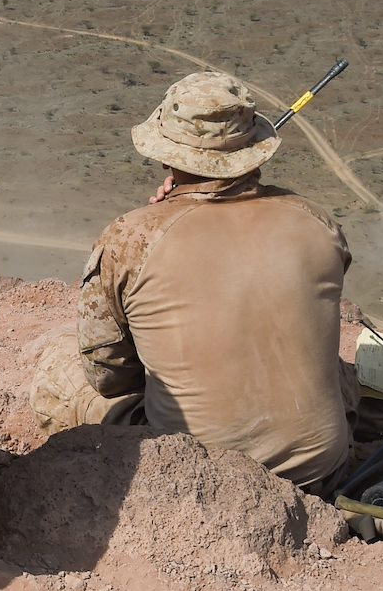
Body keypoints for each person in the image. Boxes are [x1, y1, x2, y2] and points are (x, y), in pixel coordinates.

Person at [31, 72, 355, 490]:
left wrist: (163, 218)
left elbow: (110, 379)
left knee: (59, 362)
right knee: (338, 370)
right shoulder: (318, 221)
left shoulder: (129, 239)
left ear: (166, 155)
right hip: (322, 473)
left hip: (200, 477)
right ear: (255, 151)